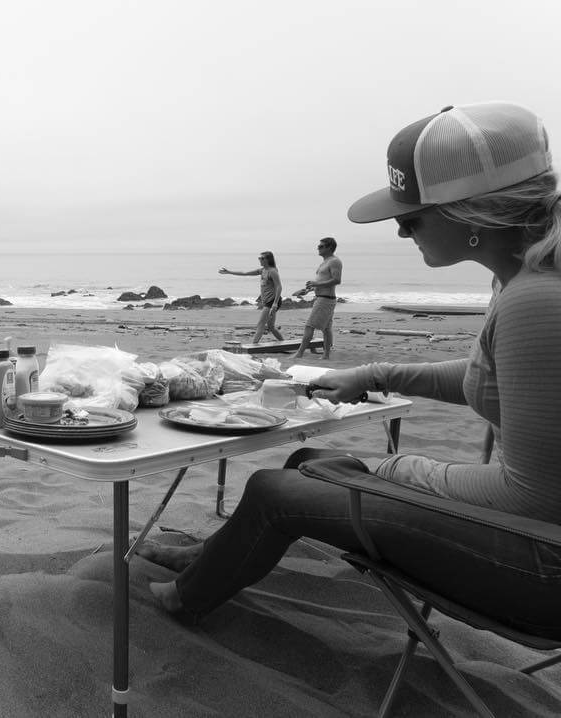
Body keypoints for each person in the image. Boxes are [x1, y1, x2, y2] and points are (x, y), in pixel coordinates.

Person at [143, 101, 561, 632]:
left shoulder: (539, 299)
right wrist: (373, 375)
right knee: (310, 459)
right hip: (526, 538)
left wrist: (404, 471)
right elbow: (491, 378)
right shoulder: (521, 280)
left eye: (409, 220)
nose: (402, 236)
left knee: (275, 492)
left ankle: (186, 599)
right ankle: (208, 559)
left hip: (539, 566)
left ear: (470, 213)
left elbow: (534, 499)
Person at [291, 237, 342, 359]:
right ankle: (326, 355)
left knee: (309, 326)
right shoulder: (325, 262)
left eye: (321, 246)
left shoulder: (335, 261)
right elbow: (322, 281)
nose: (318, 248)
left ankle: (299, 353)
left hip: (325, 299)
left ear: (329, 247)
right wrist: (306, 290)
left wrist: (316, 284)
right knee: (326, 328)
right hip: (323, 297)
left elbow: (337, 280)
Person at [218, 252, 285, 343]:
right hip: (268, 301)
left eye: (261, 258)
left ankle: (253, 345)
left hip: (272, 301)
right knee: (271, 327)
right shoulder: (262, 270)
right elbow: (245, 273)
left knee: (260, 324)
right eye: (259, 258)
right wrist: (229, 272)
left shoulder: (272, 271)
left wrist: (275, 304)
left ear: (267, 260)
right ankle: (284, 342)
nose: (259, 260)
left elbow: (279, 287)